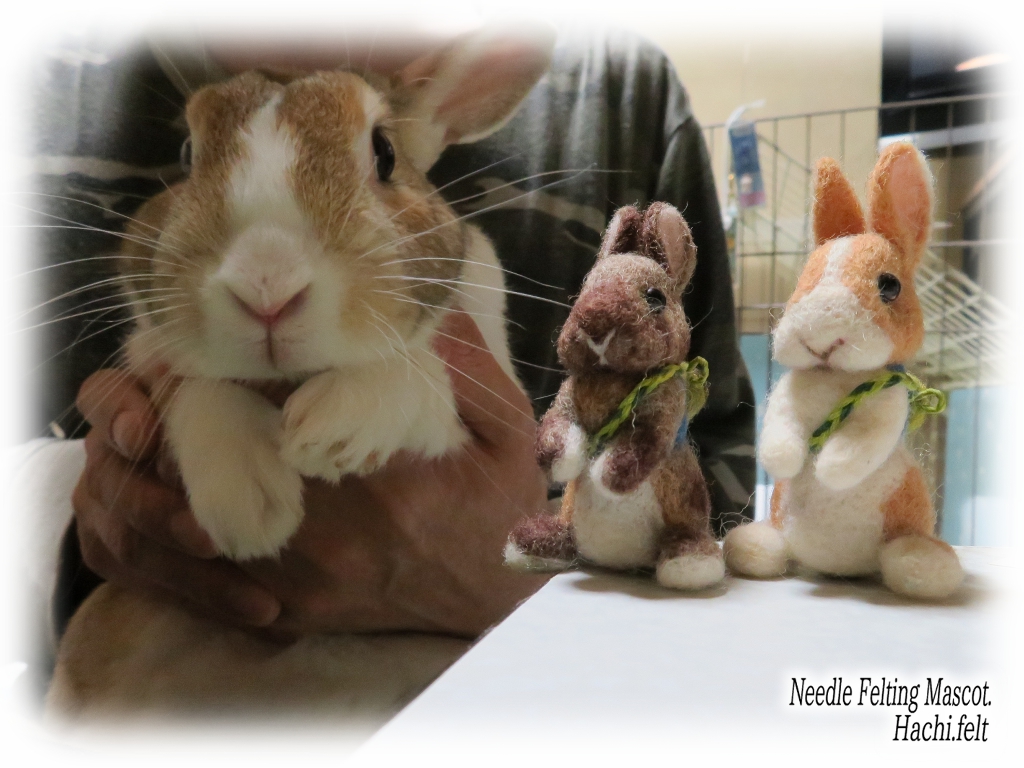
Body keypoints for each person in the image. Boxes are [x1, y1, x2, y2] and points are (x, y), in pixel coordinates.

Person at [27, 23, 755, 667]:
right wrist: (89, 516)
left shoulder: (622, 92)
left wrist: (521, 586)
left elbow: (717, 472)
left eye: (378, 154)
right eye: (193, 158)